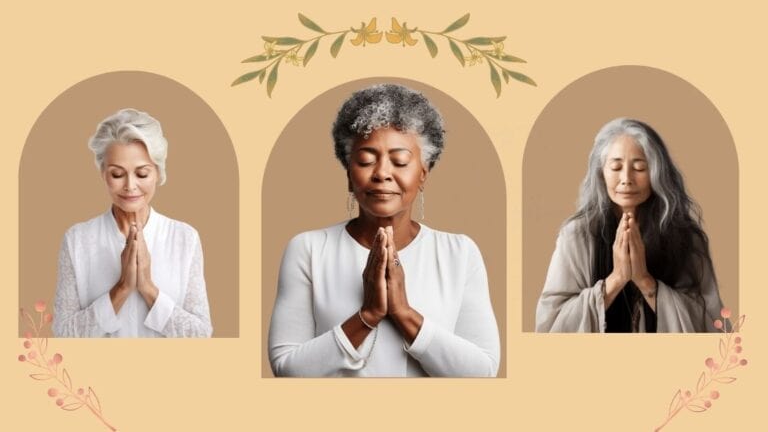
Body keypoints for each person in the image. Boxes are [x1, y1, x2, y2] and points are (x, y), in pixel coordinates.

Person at [268, 84, 500, 376]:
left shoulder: (459, 253)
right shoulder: (309, 249)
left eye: (400, 161)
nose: (382, 173)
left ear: (423, 173)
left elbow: (483, 371)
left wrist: (404, 313)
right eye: (366, 160)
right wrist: (367, 315)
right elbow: (287, 369)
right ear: (349, 174)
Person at [536, 117, 726, 333]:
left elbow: (712, 324)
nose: (626, 178)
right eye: (616, 167)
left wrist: (645, 281)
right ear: (601, 173)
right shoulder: (577, 236)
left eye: (640, 168)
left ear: (657, 173)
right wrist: (616, 279)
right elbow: (550, 325)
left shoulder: (685, 237)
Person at [52, 108, 212, 337]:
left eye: (142, 174)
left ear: (158, 173)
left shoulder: (185, 238)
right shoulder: (77, 240)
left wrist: (148, 289)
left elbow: (201, 334)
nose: (130, 186)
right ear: (103, 173)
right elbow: (63, 334)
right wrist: (122, 288)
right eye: (117, 174)